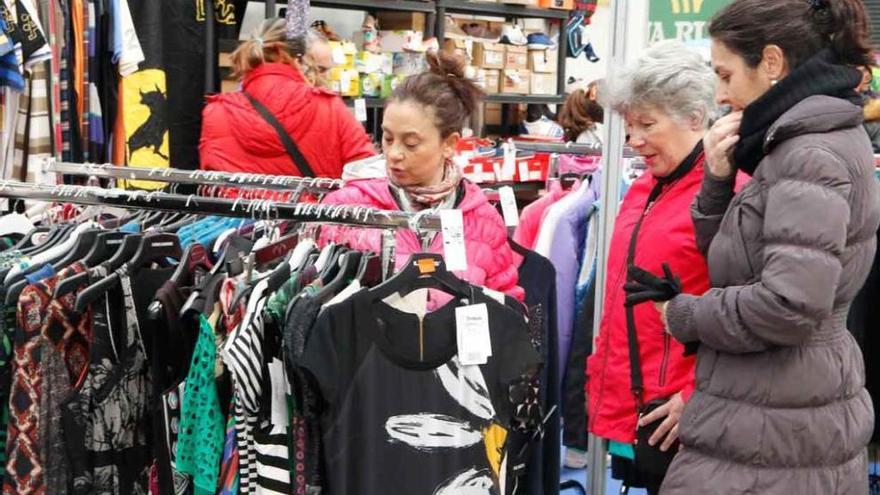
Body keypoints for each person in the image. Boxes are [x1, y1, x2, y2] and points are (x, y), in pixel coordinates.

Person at [652, 1, 880, 493]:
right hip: (777, 407)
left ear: (772, 63)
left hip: (775, 418)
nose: (721, 93)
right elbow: (742, 263)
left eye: (726, 75)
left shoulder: (808, 153)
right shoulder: (799, 142)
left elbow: (788, 305)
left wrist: (685, 315)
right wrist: (718, 181)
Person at [584, 41, 720, 494]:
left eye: (647, 124)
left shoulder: (726, 195)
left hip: (685, 416)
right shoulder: (645, 188)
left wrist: (698, 396)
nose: (634, 140)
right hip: (639, 412)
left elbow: (747, 310)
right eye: (629, 126)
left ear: (694, 117)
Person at [319, 50, 523, 301]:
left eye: (411, 143)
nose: (393, 153)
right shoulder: (346, 210)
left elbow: (507, 306)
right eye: (388, 138)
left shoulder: (485, 221)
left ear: (449, 144)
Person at [199, 18, 376, 177]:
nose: (323, 77)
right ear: (299, 59)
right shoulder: (328, 107)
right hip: (311, 212)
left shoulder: (216, 112)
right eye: (320, 69)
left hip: (235, 213)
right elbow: (366, 176)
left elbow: (213, 184)